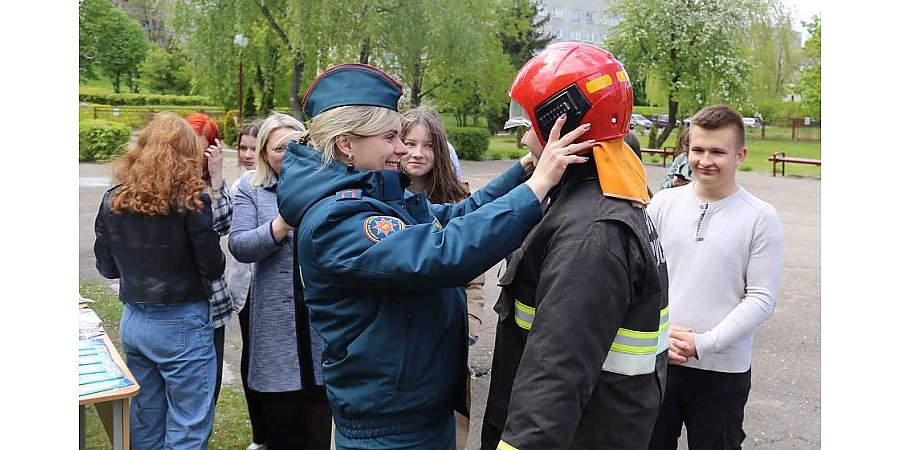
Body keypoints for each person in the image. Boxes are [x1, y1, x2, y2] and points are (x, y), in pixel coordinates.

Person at [275, 62, 592, 449]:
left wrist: (527, 169)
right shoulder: (336, 219)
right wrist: (538, 187)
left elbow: (457, 216)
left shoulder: (369, 196)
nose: (401, 148)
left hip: (416, 412)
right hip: (389, 429)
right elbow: (442, 253)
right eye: (390, 137)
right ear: (346, 144)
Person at [480, 42, 670, 450]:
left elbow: (555, 379)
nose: (523, 139)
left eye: (529, 124)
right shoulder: (597, 197)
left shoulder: (591, 234)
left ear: (560, 123)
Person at [646, 105, 784, 450]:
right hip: (660, 360)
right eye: (697, 150)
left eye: (717, 152)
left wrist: (704, 343)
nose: (705, 160)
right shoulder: (662, 204)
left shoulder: (759, 217)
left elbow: (761, 297)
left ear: (740, 155)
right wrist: (658, 335)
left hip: (722, 373)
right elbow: (642, 279)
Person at [93, 112, 224, 449]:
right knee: (188, 422)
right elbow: (213, 267)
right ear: (188, 154)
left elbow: (107, 267)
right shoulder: (192, 201)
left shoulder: (114, 199)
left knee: (146, 417)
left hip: (135, 318)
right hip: (181, 320)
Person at [228, 112, 332, 450]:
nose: (287, 155)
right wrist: (282, 224)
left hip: (321, 322)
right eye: (278, 148)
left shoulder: (328, 186)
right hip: (275, 326)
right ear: (263, 153)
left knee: (322, 423)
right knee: (282, 423)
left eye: (295, 145)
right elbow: (240, 245)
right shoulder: (250, 189)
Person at [399, 106, 485, 450]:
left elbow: (474, 277)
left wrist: (470, 324)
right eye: (409, 143)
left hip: (447, 334)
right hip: (397, 337)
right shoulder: (377, 197)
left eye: (428, 145)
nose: (417, 153)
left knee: (446, 423)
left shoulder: (457, 200)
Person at [224, 120, 271, 450]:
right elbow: (236, 238)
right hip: (248, 287)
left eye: (255, 148)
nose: (248, 154)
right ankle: (260, 434)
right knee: (252, 356)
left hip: (280, 289)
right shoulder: (242, 186)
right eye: (243, 148)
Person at [185, 112, 234, 405]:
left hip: (211, 300)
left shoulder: (210, 185)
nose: (192, 157)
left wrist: (216, 178)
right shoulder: (164, 181)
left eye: (201, 150)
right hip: (177, 297)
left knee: (207, 386)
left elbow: (224, 224)